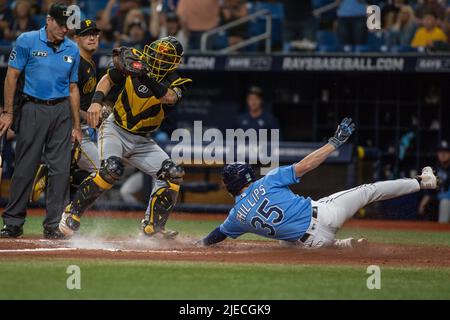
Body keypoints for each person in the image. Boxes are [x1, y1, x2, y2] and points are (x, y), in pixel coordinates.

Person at [197, 118, 438, 249]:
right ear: (248, 176)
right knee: (368, 191)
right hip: (325, 216)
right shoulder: (268, 181)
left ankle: (340, 245)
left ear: (230, 185)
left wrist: (199, 243)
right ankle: (422, 182)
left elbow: (216, 236)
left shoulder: (236, 215)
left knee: (284, 242)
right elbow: (307, 164)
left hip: (312, 244)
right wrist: (335, 142)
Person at [58, 36, 192, 240]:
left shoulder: (177, 81)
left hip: (143, 141)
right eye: (158, 52)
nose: (159, 57)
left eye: (166, 56)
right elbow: (108, 79)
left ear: (174, 61)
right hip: (115, 129)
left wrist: (144, 75)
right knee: (111, 170)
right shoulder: (137, 63)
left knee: (173, 173)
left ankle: (152, 227)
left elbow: (169, 97)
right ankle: (71, 213)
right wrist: (96, 101)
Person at [0, 2, 82, 239]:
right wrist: (8, 112)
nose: (64, 29)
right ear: (49, 20)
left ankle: (53, 225)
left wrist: (77, 126)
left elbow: (73, 88)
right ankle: (13, 223)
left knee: (60, 171)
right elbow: (11, 76)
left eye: (67, 25)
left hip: (62, 111)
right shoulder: (27, 40)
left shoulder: (72, 49)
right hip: (33, 108)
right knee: (25, 167)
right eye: (60, 24)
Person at [30, 19, 104, 203]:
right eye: (86, 34)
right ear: (76, 38)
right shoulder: (75, 62)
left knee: (89, 174)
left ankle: (65, 207)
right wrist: (83, 116)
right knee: (104, 173)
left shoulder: (89, 62)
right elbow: (63, 97)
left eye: (94, 34)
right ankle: (52, 179)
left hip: (78, 128)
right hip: (70, 127)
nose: (92, 37)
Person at [419, 140, 450, 223]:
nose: (443, 154)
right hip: (438, 199)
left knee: (445, 202)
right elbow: (429, 191)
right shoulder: (435, 169)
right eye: (440, 151)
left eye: (446, 151)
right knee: (428, 204)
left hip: (447, 200)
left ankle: (442, 229)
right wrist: (424, 202)